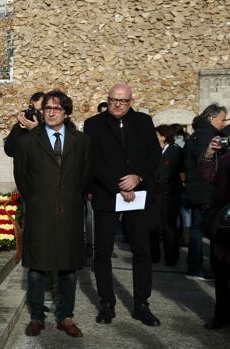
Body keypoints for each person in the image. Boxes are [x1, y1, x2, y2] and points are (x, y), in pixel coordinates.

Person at [83, 83, 161, 326]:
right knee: (103, 252)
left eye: (123, 101)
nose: (118, 104)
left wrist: (137, 177)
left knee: (141, 250)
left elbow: (153, 156)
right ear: (108, 100)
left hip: (138, 195)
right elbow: (92, 160)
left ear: (131, 101)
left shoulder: (144, 122)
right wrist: (119, 186)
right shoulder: (93, 124)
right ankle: (107, 303)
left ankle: (141, 304)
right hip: (107, 195)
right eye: (113, 100)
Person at [14, 90, 90, 337]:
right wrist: (35, 201)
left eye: (57, 108)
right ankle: (37, 317)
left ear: (66, 113)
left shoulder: (82, 141)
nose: (52, 112)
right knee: (37, 268)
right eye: (47, 108)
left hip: (69, 212)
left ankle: (65, 316)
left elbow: (86, 175)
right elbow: (21, 177)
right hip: (40, 211)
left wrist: (73, 199)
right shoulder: (27, 142)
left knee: (68, 268)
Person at [183, 104, 227, 281]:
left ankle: (195, 266)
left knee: (197, 229)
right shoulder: (207, 136)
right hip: (205, 190)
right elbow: (206, 163)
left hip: (196, 188)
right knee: (203, 230)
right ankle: (195, 267)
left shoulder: (196, 134)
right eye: (222, 119)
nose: (224, 123)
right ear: (211, 118)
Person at [199, 135, 230, 330]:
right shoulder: (226, 156)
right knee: (221, 272)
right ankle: (221, 316)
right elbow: (208, 175)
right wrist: (210, 153)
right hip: (224, 220)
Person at [150, 124, 184, 266]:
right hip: (155, 195)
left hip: (169, 195)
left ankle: (171, 257)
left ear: (163, 136)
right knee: (153, 226)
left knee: (169, 227)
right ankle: (154, 255)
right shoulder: (154, 151)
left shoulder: (175, 151)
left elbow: (171, 173)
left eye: (156, 135)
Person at [3, 91, 45, 157]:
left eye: (41, 109)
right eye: (34, 110)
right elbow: (9, 151)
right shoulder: (26, 124)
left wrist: (35, 130)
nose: (38, 113)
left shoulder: (52, 126)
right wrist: (19, 125)